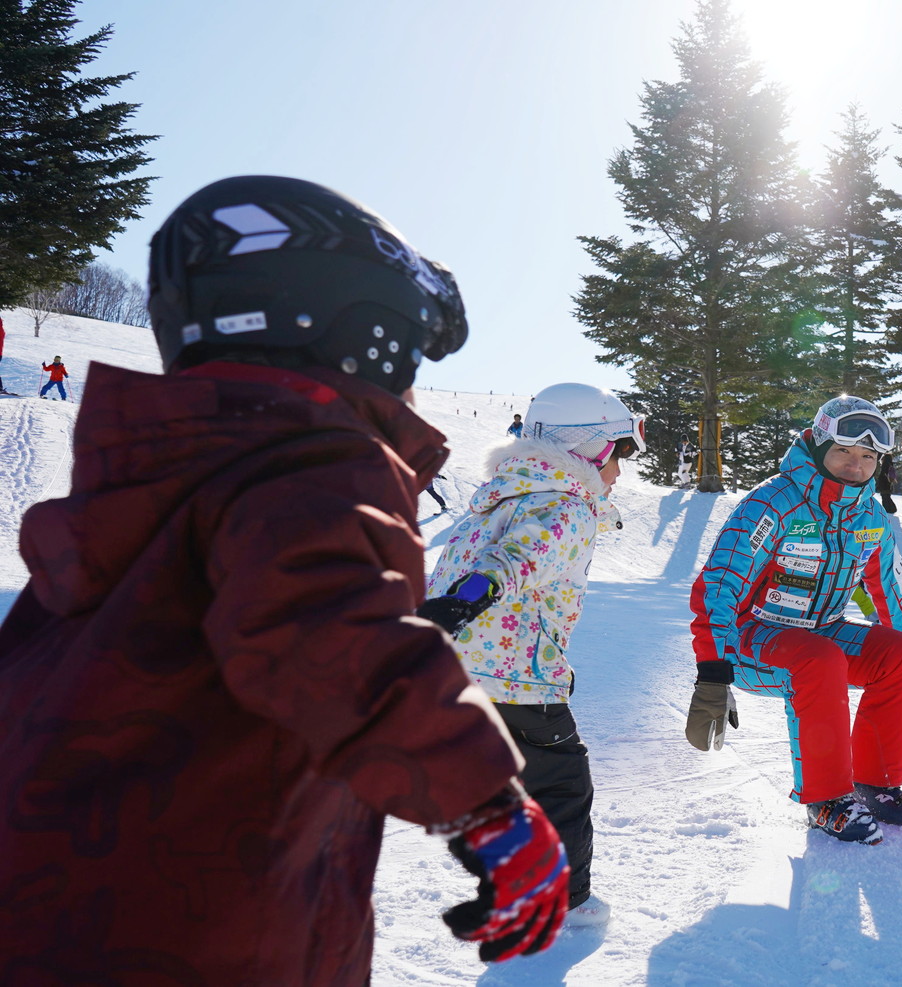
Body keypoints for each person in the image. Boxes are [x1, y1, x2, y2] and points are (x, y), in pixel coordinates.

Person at [0, 176, 570, 982]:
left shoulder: (150, 492)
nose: (409, 386)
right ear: (347, 331)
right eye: (404, 350)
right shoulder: (308, 462)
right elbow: (329, 631)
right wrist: (487, 800)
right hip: (202, 928)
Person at [423, 382, 645, 928]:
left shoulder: (501, 498)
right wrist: (464, 601)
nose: (621, 470)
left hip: (460, 670)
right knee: (562, 784)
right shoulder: (565, 507)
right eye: (619, 453)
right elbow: (517, 559)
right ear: (589, 451)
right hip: (518, 675)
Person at [686, 395, 902, 845]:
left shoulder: (870, 517)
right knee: (819, 659)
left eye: (867, 456)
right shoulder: (774, 503)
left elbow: (894, 594)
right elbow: (719, 587)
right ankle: (826, 800)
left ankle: (875, 784)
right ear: (820, 446)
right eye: (843, 451)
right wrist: (712, 672)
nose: (855, 465)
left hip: (819, 631)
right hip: (750, 638)